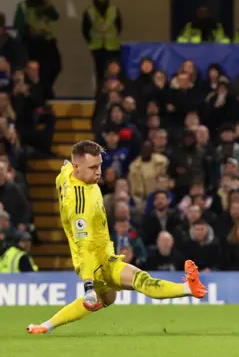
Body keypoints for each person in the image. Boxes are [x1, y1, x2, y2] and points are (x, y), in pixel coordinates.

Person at [26, 140, 207, 335]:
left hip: (102, 253)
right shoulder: (79, 205)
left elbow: (64, 169)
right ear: (78, 168)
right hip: (97, 262)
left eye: (100, 165)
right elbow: (84, 246)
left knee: (106, 300)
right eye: (93, 167)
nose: (98, 172)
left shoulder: (68, 173)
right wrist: (88, 285)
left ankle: (46, 326)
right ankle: (189, 288)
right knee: (140, 280)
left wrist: (67, 166)